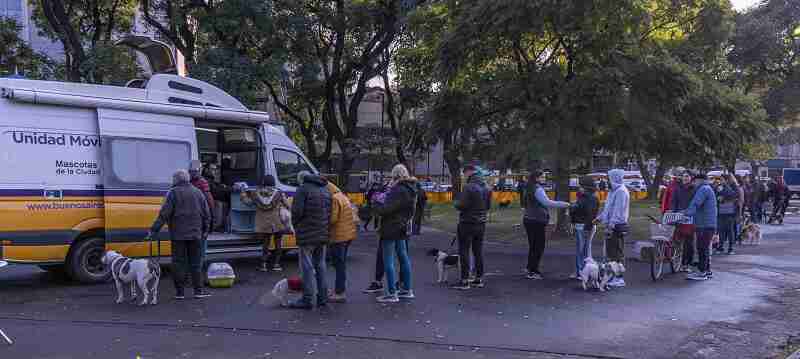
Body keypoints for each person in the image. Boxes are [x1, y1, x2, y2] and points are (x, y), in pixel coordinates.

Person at [148, 169, 211, 300]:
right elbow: (206, 214)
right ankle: (198, 291)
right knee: (196, 263)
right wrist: (205, 231)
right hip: (196, 234)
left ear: (176, 180)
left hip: (178, 235)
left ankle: (180, 292)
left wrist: (154, 230)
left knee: (178, 263)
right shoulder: (198, 192)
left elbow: (164, 214)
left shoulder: (173, 193)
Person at [372, 164, 418, 303]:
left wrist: (377, 202)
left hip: (391, 227)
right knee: (403, 257)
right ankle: (407, 289)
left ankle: (392, 293)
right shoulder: (411, 189)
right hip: (402, 226)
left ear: (394, 175)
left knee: (388, 260)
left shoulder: (398, 190)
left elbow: (386, 209)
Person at [288, 171, 332, 310]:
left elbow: (296, 212)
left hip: (307, 234)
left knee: (306, 267)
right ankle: (323, 298)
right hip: (322, 233)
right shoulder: (325, 189)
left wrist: (296, 226)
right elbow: (329, 212)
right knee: (320, 265)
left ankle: (307, 299)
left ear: (301, 179)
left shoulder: (303, 190)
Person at [521, 170, 570, 280]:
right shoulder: (537, 189)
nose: (544, 178)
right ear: (537, 178)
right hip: (537, 220)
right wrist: (565, 204)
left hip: (528, 219)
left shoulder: (528, 187)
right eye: (542, 177)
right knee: (539, 246)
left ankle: (530, 268)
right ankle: (533, 271)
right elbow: (547, 203)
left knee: (533, 246)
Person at [453, 165, 492, 290]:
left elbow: (461, 205)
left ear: (468, 172)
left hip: (467, 222)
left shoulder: (468, 187)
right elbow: (488, 206)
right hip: (481, 223)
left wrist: (456, 203)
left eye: (464, 174)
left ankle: (464, 280)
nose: (464, 176)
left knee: (464, 250)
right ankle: (478, 278)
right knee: (478, 251)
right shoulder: (487, 187)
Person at [241, 175, 290, 272]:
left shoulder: (256, 193)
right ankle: (276, 264)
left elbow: (247, 202)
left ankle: (263, 265)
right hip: (277, 222)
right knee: (278, 243)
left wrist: (243, 194)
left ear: (263, 183)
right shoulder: (279, 193)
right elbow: (287, 205)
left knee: (265, 244)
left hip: (263, 223)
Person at [594, 169, 630, 288]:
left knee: (616, 253)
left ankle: (619, 278)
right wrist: (599, 218)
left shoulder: (621, 192)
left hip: (617, 226)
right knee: (610, 253)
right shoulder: (613, 191)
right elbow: (608, 209)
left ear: (614, 179)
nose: (607, 181)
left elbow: (618, 212)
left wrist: (611, 226)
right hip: (611, 225)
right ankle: (612, 276)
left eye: (608, 179)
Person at [325, 181, 357, 303]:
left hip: (338, 236)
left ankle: (339, 292)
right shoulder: (342, 196)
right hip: (348, 235)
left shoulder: (334, 199)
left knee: (339, 265)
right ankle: (339, 290)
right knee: (341, 264)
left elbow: (333, 219)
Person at [683, 173, 717, 281]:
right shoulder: (708, 188)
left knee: (702, 248)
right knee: (705, 248)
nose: (694, 183)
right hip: (709, 223)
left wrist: (686, 213)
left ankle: (702, 272)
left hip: (704, 224)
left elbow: (696, 203)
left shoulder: (703, 189)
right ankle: (707, 270)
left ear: (699, 180)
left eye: (695, 181)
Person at [569, 176, 599, 280]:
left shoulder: (586, 198)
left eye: (581, 186)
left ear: (586, 187)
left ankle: (580, 271)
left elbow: (589, 213)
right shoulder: (590, 197)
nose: (579, 187)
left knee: (581, 250)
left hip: (583, 225)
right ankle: (584, 271)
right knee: (586, 249)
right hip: (587, 225)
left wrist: (573, 208)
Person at [670, 171, 697, 272]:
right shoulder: (677, 188)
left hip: (690, 217)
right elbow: (673, 201)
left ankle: (687, 263)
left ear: (691, 177)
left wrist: (690, 212)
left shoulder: (695, 189)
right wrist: (673, 211)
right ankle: (677, 259)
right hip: (678, 216)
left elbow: (696, 203)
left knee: (689, 241)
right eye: (683, 176)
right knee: (677, 239)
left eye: (687, 176)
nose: (685, 178)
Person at [189, 161, 214, 267]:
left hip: (190, 219)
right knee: (201, 245)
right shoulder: (203, 183)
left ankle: (191, 267)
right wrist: (211, 218)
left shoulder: (187, 183)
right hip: (200, 219)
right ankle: (198, 268)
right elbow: (209, 202)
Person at [715, 174, 739, 255]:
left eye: (722, 179)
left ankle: (731, 248)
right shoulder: (719, 187)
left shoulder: (733, 186)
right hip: (721, 212)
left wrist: (723, 197)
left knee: (730, 230)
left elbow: (734, 195)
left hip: (730, 212)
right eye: (720, 179)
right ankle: (720, 246)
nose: (720, 181)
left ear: (727, 180)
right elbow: (716, 196)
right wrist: (719, 197)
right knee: (721, 230)